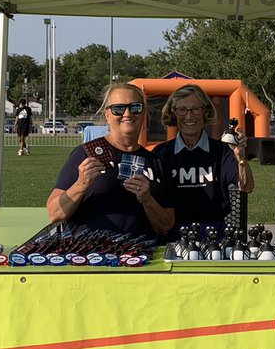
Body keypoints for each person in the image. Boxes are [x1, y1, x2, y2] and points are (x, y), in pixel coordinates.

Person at [47, 83, 174, 239]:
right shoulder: (86, 154)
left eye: (135, 107)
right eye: (118, 109)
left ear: (144, 113)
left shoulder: (155, 162)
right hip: (89, 256)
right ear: (107, 115)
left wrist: (147, 200)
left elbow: (166, 226)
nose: (127, 114)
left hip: (138, 256)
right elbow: (55, 214)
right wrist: (81, 184)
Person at [152, 84, 254, 235]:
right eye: (182, 110)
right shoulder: (161, 153)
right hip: (173, 234)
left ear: (205, 112)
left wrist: (241, 159)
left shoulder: (222, 151)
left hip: (214, 234)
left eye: (196, 109)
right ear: (173, 113)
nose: (189, 116)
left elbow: (247, 186)